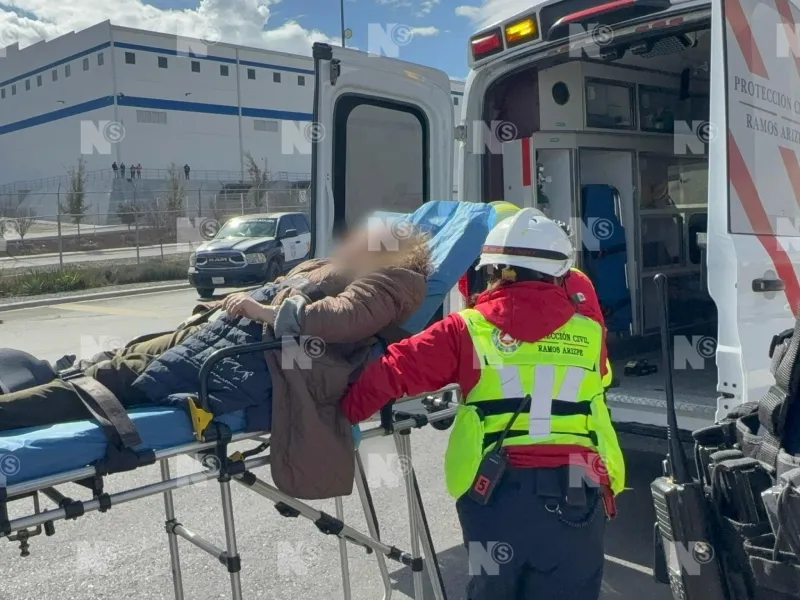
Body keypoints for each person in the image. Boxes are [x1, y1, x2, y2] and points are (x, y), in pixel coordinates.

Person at [341, 209, 625, 600]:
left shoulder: (467, 329)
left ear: (492, 271)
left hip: (498, 494)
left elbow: (391, 372)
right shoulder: (590, 333)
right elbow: (601, 379)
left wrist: (343, 415)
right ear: (562, 274)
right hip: (579, 491)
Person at [0, 223, 431, 435]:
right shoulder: (333, 266)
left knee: (108, 382)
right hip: (218, 333)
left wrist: (261, 313)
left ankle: (12, 410)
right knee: (111, 364)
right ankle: (31, 388)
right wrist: (217, 307)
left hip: (241, 359)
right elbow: (275, 289)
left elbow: (341, 319)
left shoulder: (395, 280)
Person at [457, 201, 615, 388]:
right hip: (582, 390)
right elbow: (599, 360)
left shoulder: (472, 307)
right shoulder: (576, 279)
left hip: (501, 393)